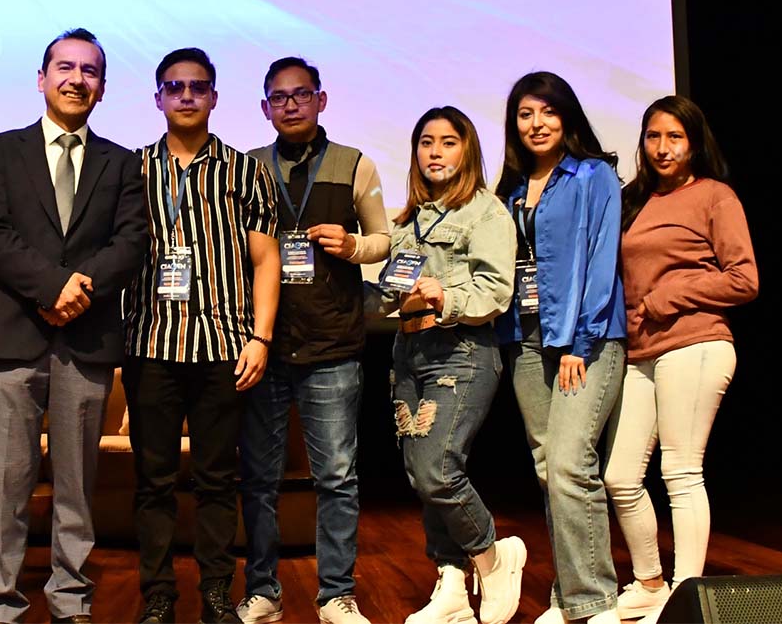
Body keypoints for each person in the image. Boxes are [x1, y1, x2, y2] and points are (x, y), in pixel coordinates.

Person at [0, 28, 147, 624]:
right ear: (42, 78)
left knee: (77, 488)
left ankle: (70, 600)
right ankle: (3, 604)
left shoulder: (123, 163)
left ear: (102, 88)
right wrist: (52, 287)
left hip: (86, 340)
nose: (76, 79)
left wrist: (79, 289)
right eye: (64, 67)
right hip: (13, 338)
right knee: (8, 488)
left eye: (90, 71)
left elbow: (131, 243)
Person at [123, 47, 279, 624]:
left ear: (214, 96)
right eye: (175, 87)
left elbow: (265, 262)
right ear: (158, 97)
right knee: (153, 481)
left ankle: (216, 591)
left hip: (223, 347)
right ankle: (158, 595)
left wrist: (260, 338)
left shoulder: (245, 171)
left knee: (218, 480)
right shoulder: (130, 169)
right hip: (149, 344)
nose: (186, 96)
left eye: (198, 87)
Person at [237, 57, 389, 624]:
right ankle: (262, 590)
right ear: (264, 108)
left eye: (302, 95)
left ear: (322, 100)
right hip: (265, 344)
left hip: (332, 344)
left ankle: (335, 594)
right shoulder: (247, 167)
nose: (291, 105)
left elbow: (383, 241)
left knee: (337, 477)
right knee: (259, 476)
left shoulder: (354, 165)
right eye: (279, 97)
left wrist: (353, 246)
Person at [602, 96, 758, 624]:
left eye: (675, 137)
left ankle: (688, 594)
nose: (662, 147)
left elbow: (745, 279)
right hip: (642, 352)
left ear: (694, 143)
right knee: (620, 476)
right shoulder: (635, 200)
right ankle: (649, 583)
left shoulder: (714, 196)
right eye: (653, 136)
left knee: (681, 470)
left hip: (695, 343)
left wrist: (668, 298)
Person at [369, 106, 526, 624]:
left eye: (448, 142)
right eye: (426, 143)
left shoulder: (486, 212)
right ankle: (452, 583)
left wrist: (446, 293)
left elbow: (496, 290)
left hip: (461, 351)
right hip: (408, 354)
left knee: (437, 468)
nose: (435, 152)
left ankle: (494, 558)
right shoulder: (408, 218)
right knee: (420, 472)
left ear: (468, 150)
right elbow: (391, 292)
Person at [494, 71, 625, 624]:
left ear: (565, 116)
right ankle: (570, 599)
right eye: (525, 114)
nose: (536, 124)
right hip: (525, 340)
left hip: (584, 343)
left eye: (547, 112)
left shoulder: (594, 175)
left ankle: (596, 601)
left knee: (572, 465)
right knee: (550, 468)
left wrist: (582, 341)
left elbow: (601, 260)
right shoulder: (512, 189)